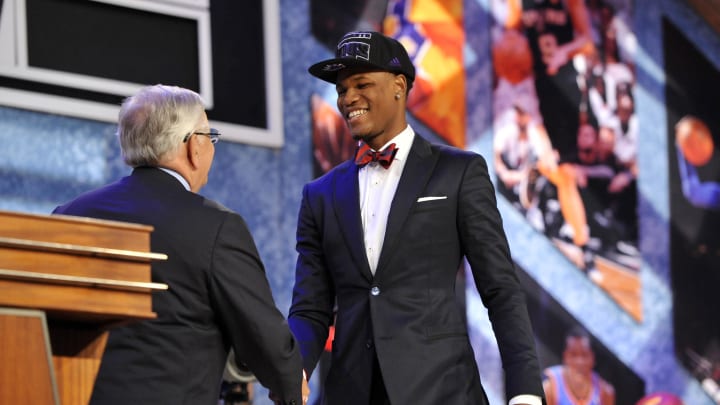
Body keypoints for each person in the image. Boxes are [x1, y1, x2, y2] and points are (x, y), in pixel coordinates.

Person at [288, 31, 545, 405]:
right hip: (351, 392)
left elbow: (500, 288)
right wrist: (293, 367)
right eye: (342, 90)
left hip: (444, 391)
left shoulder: (458, 171)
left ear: (398, 86)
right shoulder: (319, 194)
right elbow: (311, 306)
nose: (348, 99)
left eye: (361, 84)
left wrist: (525, 390)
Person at [53, 84, 309, 405]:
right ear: (194, 147)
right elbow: (262, 336)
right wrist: (290, 385)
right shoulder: (215, 227)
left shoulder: (70, 215)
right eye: (210, 136)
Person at [543, 326, 615, 405]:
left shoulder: (605, 393)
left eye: (584, 355)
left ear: (593, 358)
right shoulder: (550, 388)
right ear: (565, 356)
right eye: (573, 355)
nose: (579, 362)